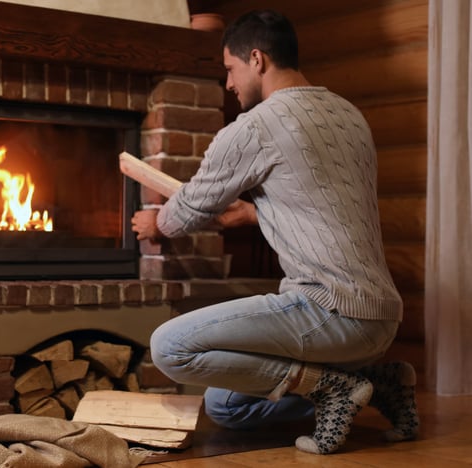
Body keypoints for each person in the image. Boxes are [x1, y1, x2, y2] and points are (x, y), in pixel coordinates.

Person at [131, 10, 419, 455]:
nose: (228, 83)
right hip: (380, 317)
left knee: (170, 348)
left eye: (230, 69)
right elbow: (327, 204)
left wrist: (156, 223)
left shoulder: (256, 126)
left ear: (257, 59)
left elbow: (190, 206)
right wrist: (253, 214)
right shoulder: (349, 115)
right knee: (227, 406)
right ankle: (376, 384)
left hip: (329, 310)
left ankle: (330, 389)